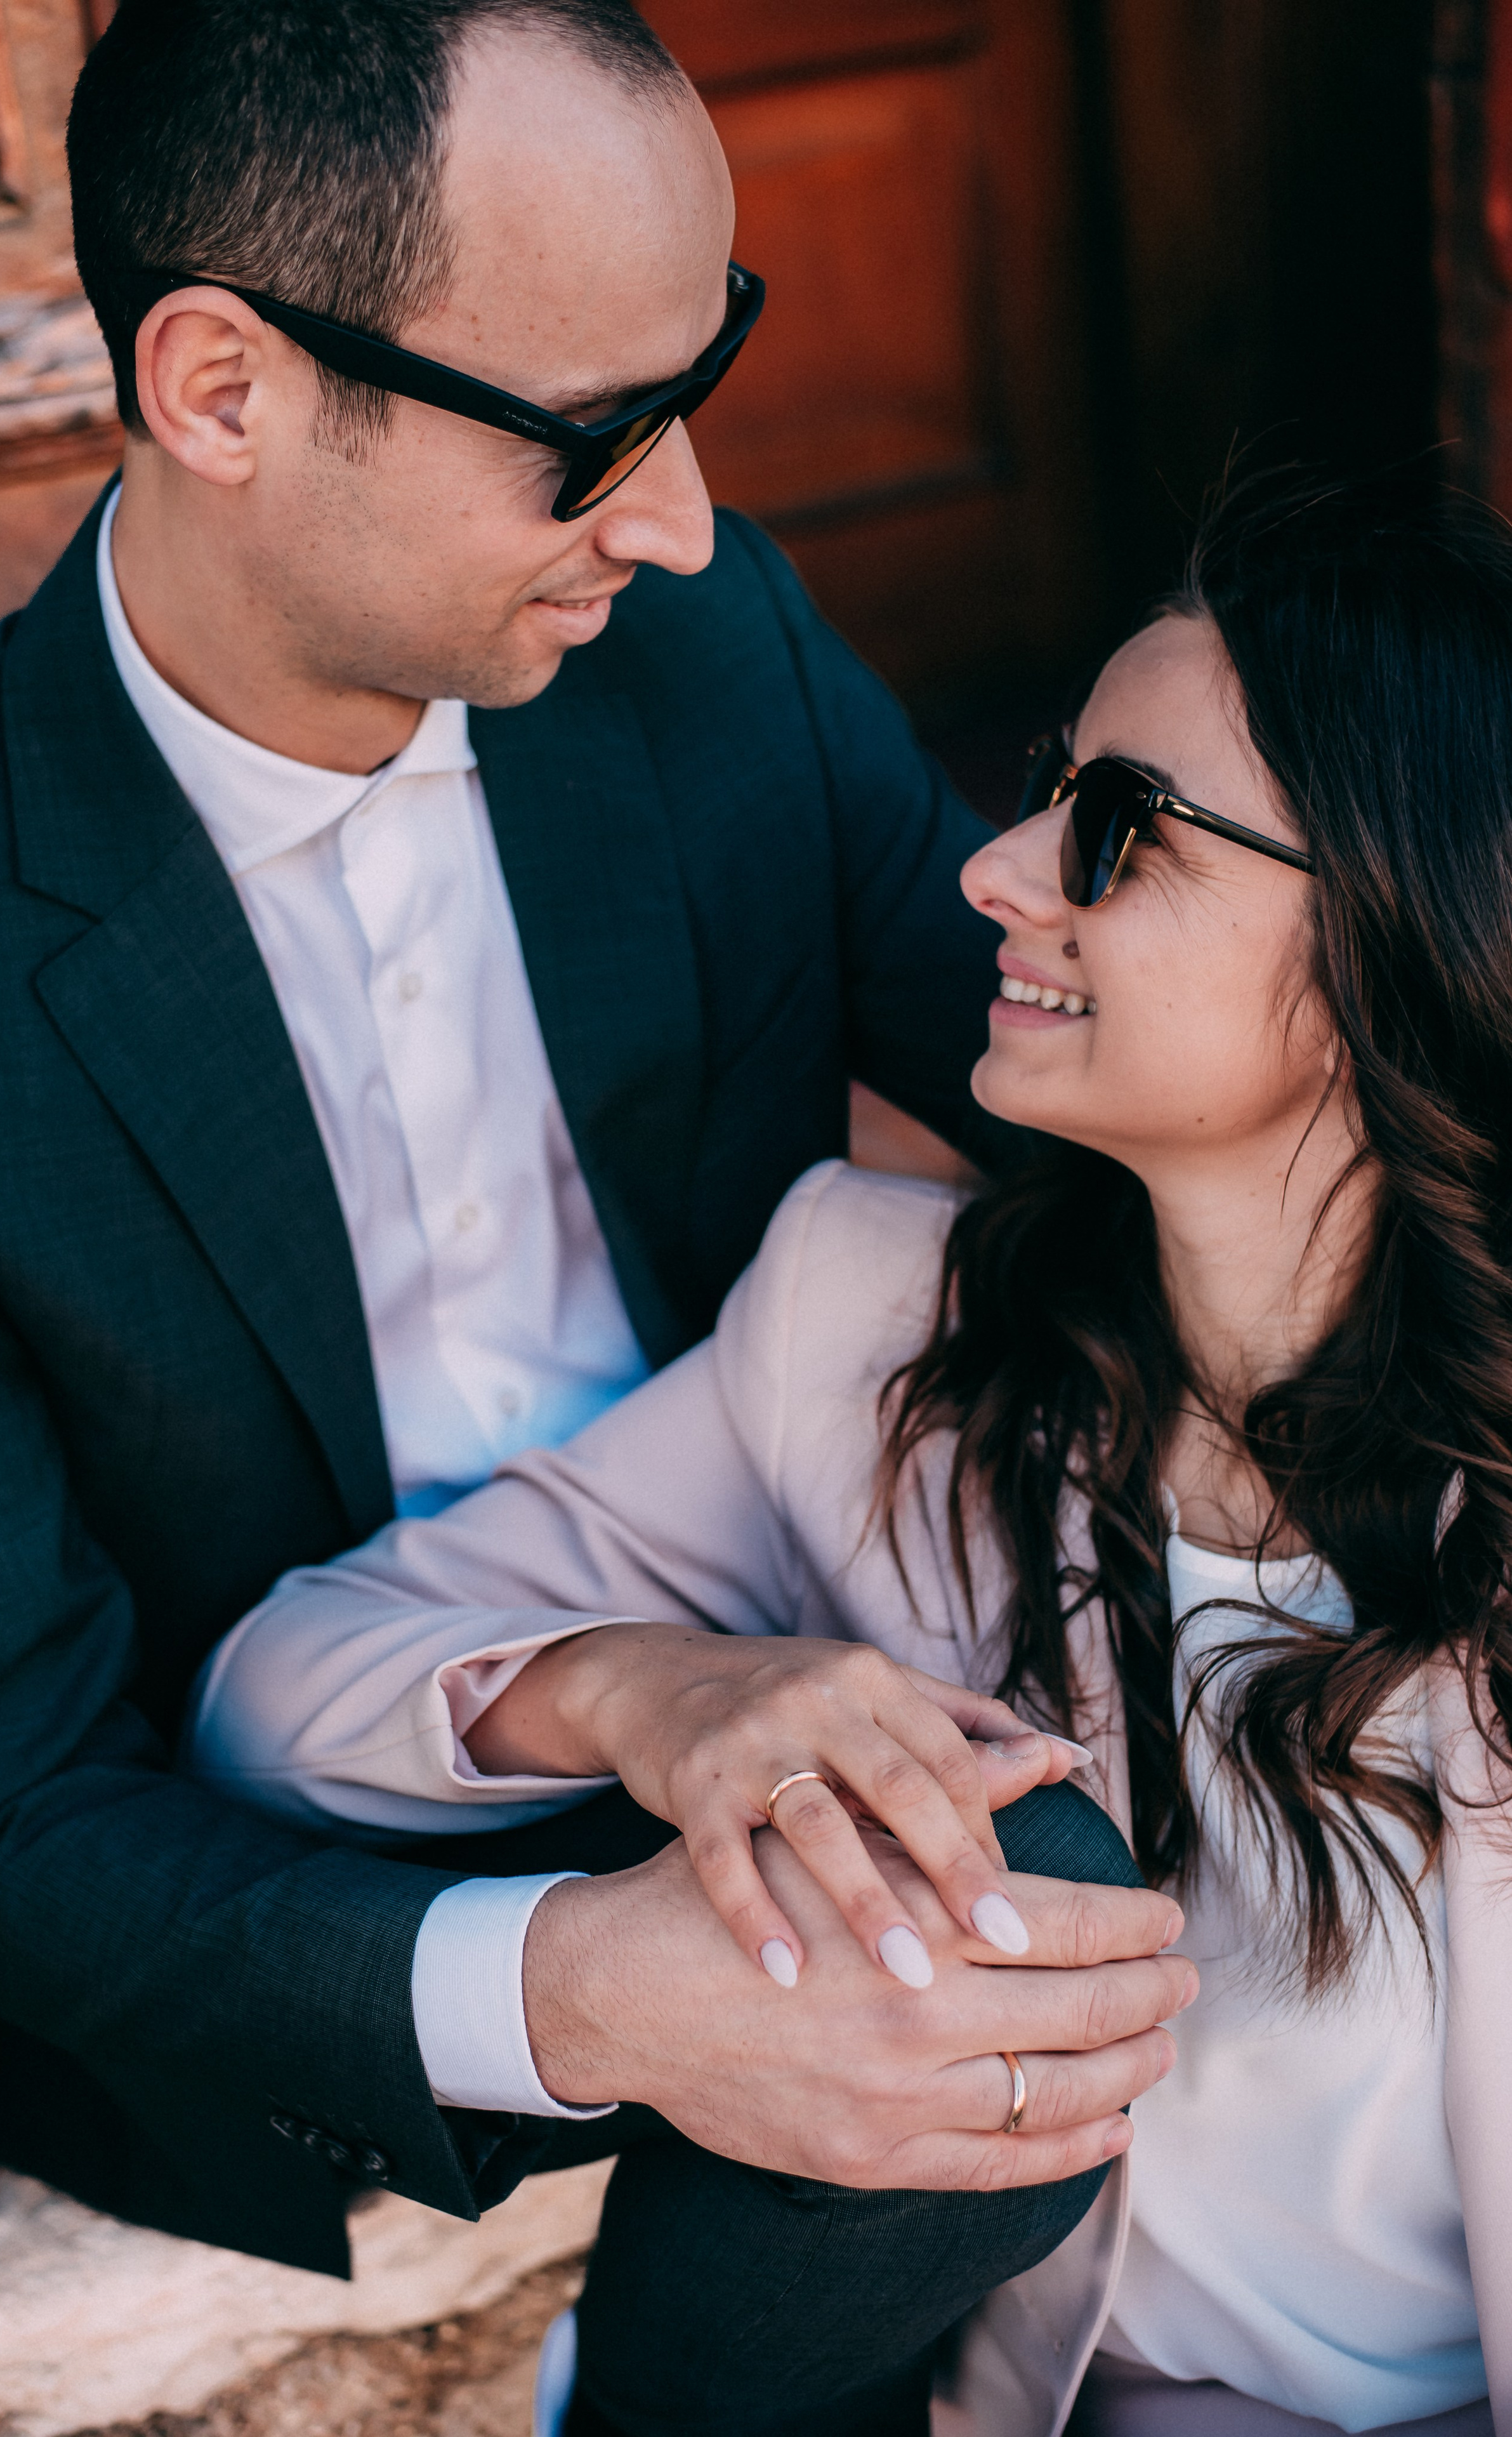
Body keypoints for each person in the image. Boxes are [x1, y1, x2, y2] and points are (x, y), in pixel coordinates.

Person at [0, 0, 1190, 2414]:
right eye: (594, 439)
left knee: (1035, 1902)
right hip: (262, 1890)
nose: (687, 515)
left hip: (792, 1666)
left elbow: (1093, 1127)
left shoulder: (706, 656)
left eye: (708, 381)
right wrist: (581, 1986)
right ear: (220, 391)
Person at [193, 470, 1512, 2437]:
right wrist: (660, 1688)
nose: (995, 868)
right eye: (1052, 786)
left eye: (1116, 829)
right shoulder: (872, 1323)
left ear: (1387, 950)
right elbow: (271, 1698)